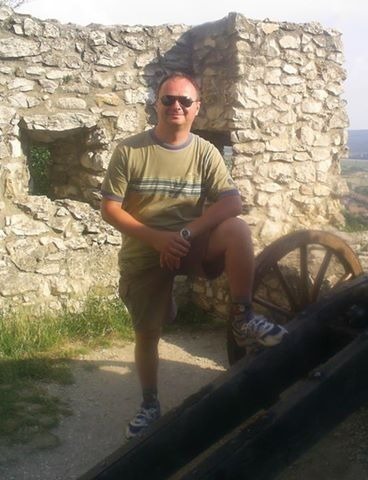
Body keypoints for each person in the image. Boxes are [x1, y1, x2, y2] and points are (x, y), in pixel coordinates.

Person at [100, 72, 288, 439]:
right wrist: (158, 240)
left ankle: (242, 317)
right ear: (156, 103)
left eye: (185, 101)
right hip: (145, 250)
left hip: (189, 244)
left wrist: (184, 234)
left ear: (196, 108)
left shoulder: (204, 152)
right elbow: (110, 209)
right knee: (147, 334)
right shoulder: (130, 151)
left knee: (237, 230)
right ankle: (150, 403)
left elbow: (231, 203)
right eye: (168, 99)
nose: (176, 106)